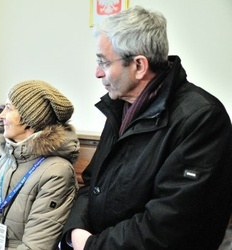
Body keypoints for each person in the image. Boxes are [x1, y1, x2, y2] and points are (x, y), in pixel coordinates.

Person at [61, 5, 232, 250]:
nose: (97, 73)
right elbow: (92, 184)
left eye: (103, 62)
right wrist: (74, 231)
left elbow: (171, 224)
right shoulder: (120, 107)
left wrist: (91, 245)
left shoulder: (201, 118)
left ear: (139, 66)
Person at [0, 80, 80, 249]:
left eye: (9, 108)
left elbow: (36, 245)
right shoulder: (6, 159)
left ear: (30, 119)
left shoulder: (57, 172)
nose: (1, 115)